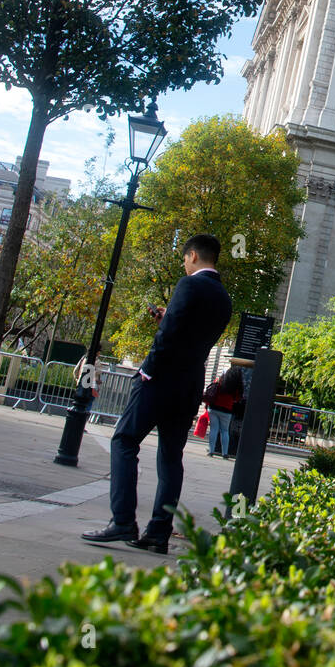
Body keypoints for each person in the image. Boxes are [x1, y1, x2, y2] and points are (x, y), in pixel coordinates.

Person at [82, 234, 232, 554]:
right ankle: (158, 532)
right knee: (170, 458)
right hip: (190, 383)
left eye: (185, 258)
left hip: (160, 380)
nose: (184, 263)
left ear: (192, 255)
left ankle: (122, 520)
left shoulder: (188, 284)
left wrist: (147, 370)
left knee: (124, 440)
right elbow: (191, 334)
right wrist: (170, 317)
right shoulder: (224, 298)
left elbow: (168, 336)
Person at [203, 366, 245, 460]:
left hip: (213, 408)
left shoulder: (220, 380)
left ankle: (211, 451)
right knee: (225, 431)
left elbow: (212, 391)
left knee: (213, 429)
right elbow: (237, 399)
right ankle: (225, 453)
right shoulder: (236, 385)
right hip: (227, 410)